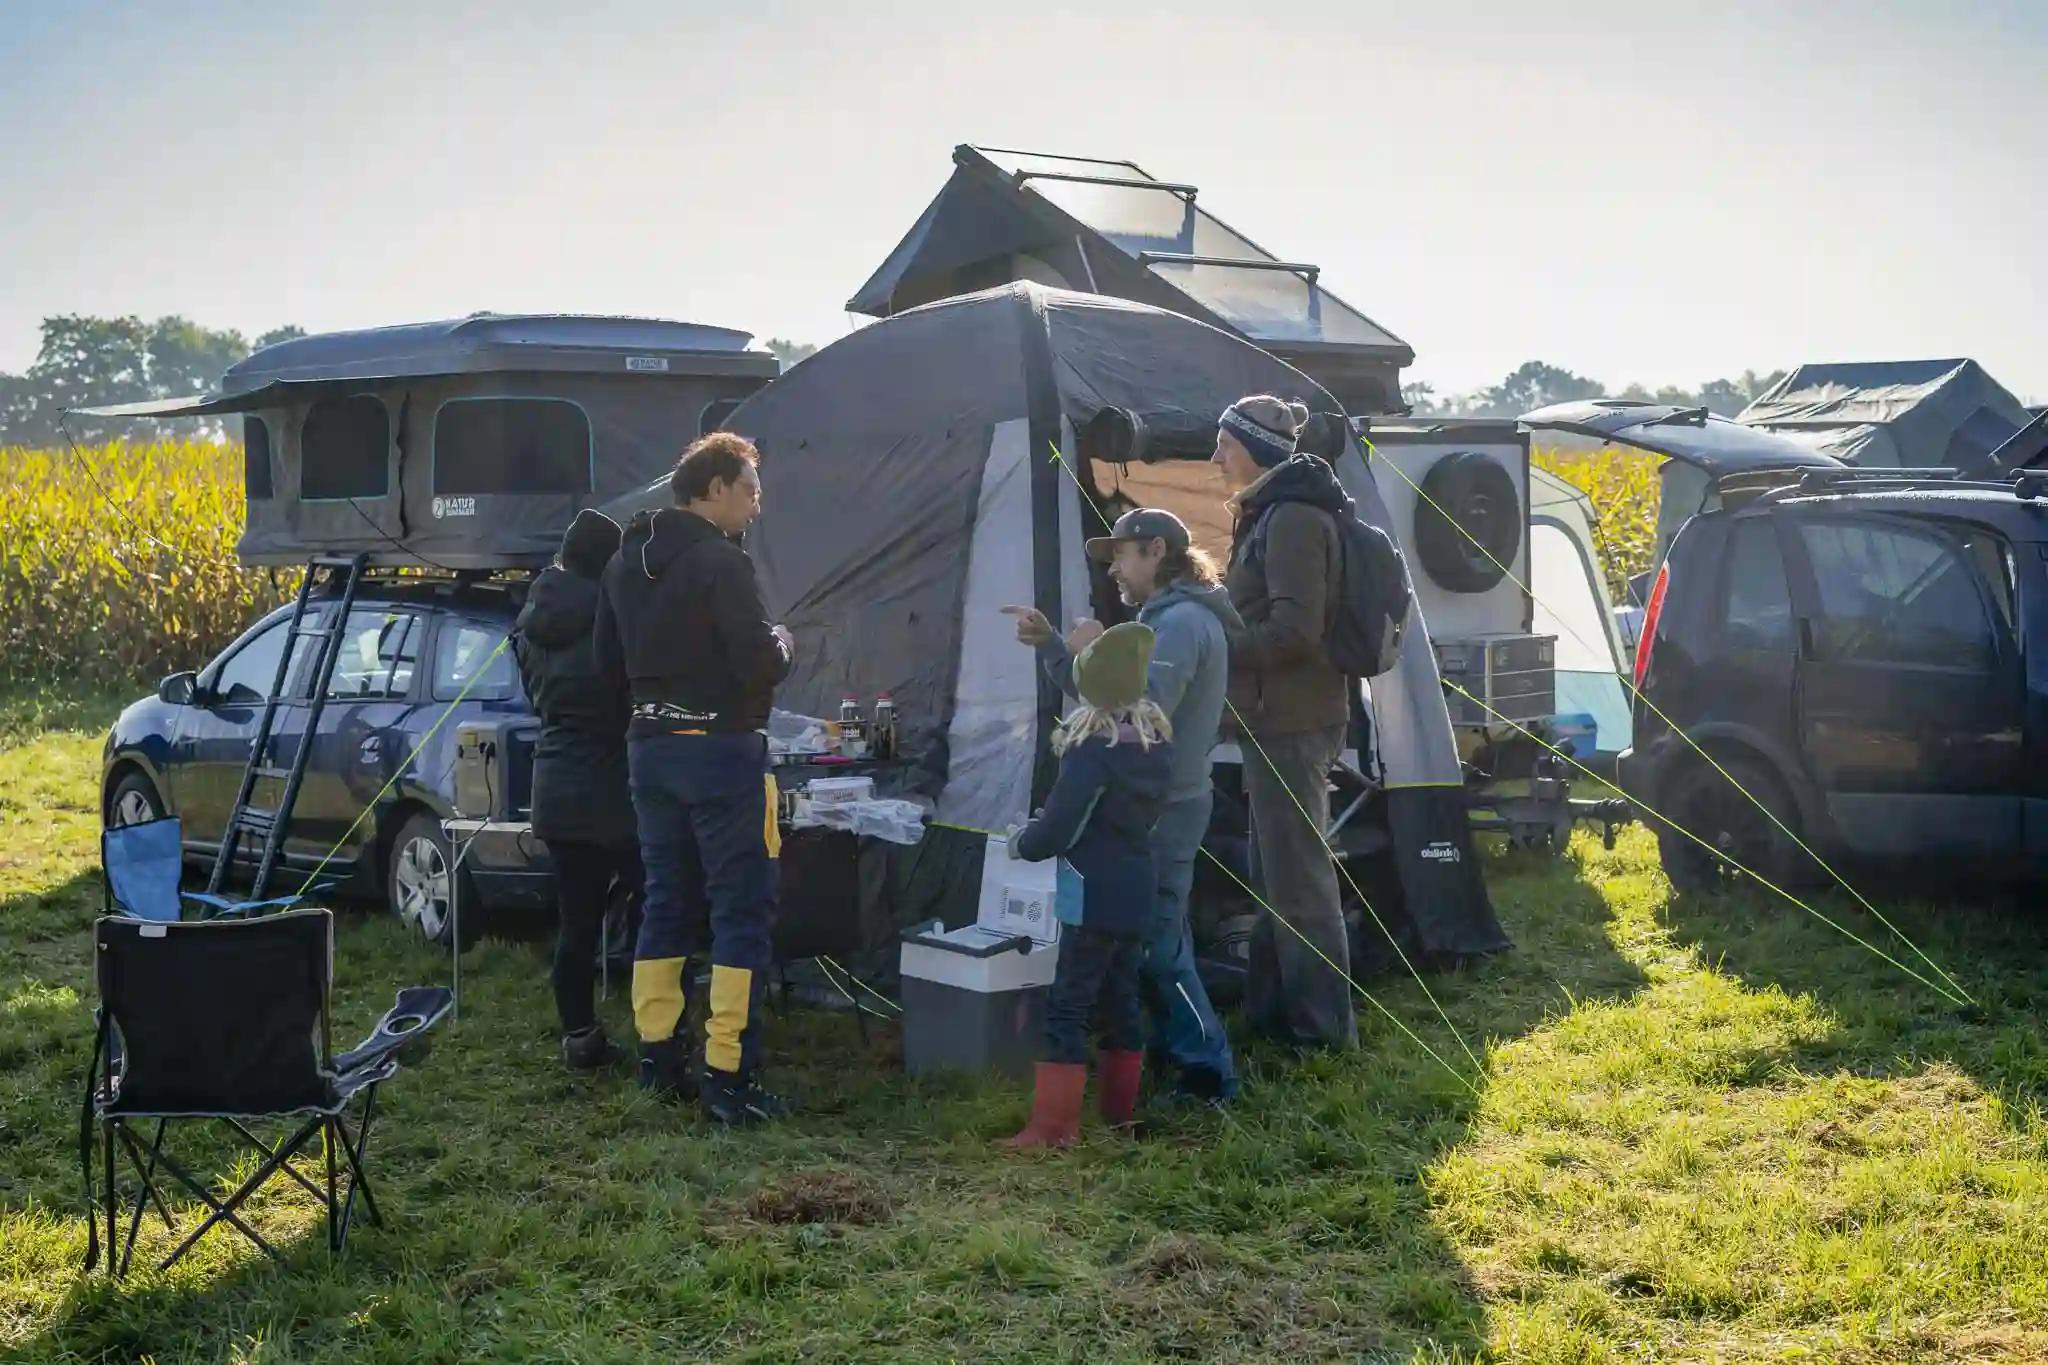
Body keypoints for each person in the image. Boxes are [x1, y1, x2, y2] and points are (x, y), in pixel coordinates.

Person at [594, 432, 796, 1125]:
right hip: (720, 750)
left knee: (665, 901)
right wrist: (784, 647)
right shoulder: (721, 562)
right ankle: (728, 1075)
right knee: (740, 910)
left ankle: (658, 1058)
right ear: (714, 489)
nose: (755, 507)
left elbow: (604, 665)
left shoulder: (624, 563)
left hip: (649, 750)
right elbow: (759, 663)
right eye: (749, 491)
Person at [1007, 507, 1240, 1106]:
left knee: (1161, 948)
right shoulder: (1166, 620)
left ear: (1155, 551)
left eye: (1121, 554)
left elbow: (1128, 712)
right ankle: (1164, 1067)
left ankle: (1208, 1073)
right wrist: (1057, 648)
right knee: (1148, 948)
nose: (1112, 568)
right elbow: (1111, 701)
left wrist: (1083, 650)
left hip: (1166, 810)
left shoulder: (1182, 624)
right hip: (1160, 808)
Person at [1212, 395, 1358, 1051]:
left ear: (1253, 449)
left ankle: (1324, 1036)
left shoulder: (1294, 517)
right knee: (1275, 877)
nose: (1216, 458)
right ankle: (1273, 1019)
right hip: (1272, 721)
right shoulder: (1269, 511)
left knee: (1299, 883)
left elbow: (1296, 629)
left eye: (1224, 446)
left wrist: (1220, 642)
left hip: (1294, 723)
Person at [999, 622, 1174, 1149]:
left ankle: (1052, 1129)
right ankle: (1119, 1116)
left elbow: (1058, 828)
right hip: (1137, 886)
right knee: (1121, 997)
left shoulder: (1090, 751)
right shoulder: (1154, 743)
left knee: (1069, 1003)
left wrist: (1021, 843)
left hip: (1090, 891)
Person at [512, 509, 644, 1072]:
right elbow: (627, 700)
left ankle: (581, 1039)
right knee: (662, 905)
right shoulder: (610, 618)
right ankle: (666, 1030)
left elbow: (538, 699)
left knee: (578, 920)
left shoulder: (531, 618)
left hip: (556, 785)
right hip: (614, 785)